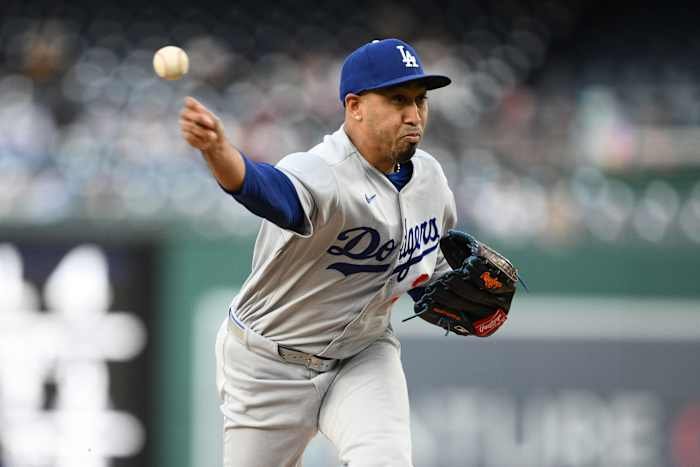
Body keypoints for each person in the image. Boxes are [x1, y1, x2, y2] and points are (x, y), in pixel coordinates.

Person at [180, 38, 454, 467]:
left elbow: (426, 271)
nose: (413, 114)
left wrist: (449, 290)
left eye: (420, 100)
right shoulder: (322, 170)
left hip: (363, 354)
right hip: (268, 364)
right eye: (398, 99)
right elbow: (266, 190)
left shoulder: (431, 179)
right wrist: (218, 151)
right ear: (354, 106)